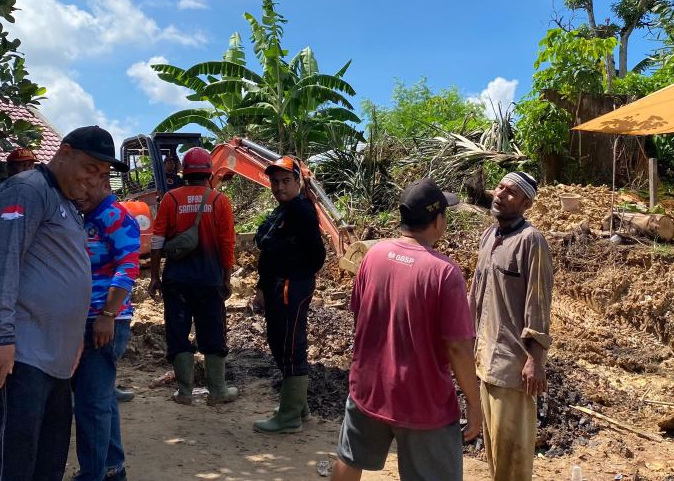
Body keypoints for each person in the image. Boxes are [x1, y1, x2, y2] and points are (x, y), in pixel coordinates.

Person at [0, 126, 127, 481]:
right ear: (65, 152)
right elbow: (2, 263)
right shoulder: (27, 190)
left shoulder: (66, 203)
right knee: (6, 462)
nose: (94, 180)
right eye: (90, 168)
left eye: (102, 175)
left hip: (53, 359)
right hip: (16, 354)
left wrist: (72, 343)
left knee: (46, 460)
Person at [331, 178, 481, 481]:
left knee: (350, 458)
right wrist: (475, 406)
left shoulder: (372, 256)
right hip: (422, 402)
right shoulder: (444, 273)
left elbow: (360, 314)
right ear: (438, 220)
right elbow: (457, 348)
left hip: (369, 389)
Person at [470, 172, 554, 481]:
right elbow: (476, 295)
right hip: (485, 361)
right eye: (501, 187)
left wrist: (536, 359)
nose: (501, 194)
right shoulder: (489, 235)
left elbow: (538, 302)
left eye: (511, 193)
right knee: (493, 454)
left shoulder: (532, 241)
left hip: (514, 367)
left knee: (513, 459)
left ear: (526, 203)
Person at [149, 147, 237, 406]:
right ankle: (217, 391)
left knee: (177, 332)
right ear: (209, 171)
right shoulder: (219, 201)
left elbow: (157, 240)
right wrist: (227, 278)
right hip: (209, 280)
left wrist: (155, 275)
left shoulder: (171, 199)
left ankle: (185, 392)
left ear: (183, 171)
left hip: (176, 280)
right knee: (213, 332)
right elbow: (226, 244)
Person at [252, 156, 325, 434]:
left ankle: (290, 418)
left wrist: (289, 267)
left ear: (297, 181)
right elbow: (264, 244)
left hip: (291, 287)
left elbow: (316, 256)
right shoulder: (283, 210)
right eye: (275, 181)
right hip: (277, 286)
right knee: (277, 341)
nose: (279, 187)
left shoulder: (301, 211)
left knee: (291, 346)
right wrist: (262, 286)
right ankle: (298, 406)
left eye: (285, 181)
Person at [73, 177, 140, 481]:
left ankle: (94, 474)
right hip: (86, 319)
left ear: (102, 183)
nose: (79, 192)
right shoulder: (89, 217)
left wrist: (107, 314)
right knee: (101, 398)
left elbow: (128, 268)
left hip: (102, 321)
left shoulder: (115, 216)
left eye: (86, 186)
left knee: (91, 404)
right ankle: (112, 468)